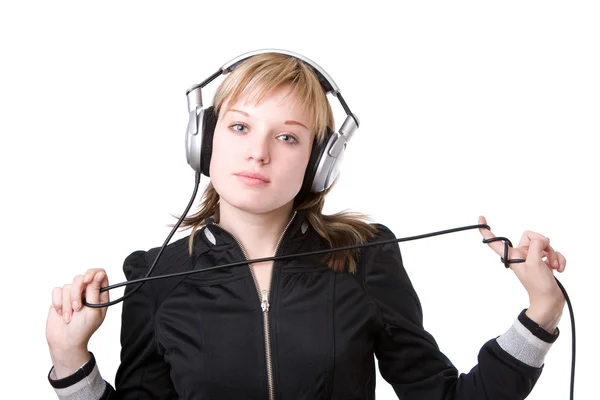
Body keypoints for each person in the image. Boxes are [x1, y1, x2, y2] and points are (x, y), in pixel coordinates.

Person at [46, 51, 567, 400]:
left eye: (288, 137)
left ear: (319, 163)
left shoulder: (366, 257)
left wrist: (540, 314)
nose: (258, 152)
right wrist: (72, 361)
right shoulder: (154, 276)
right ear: (205, 141)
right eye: (240, 126)